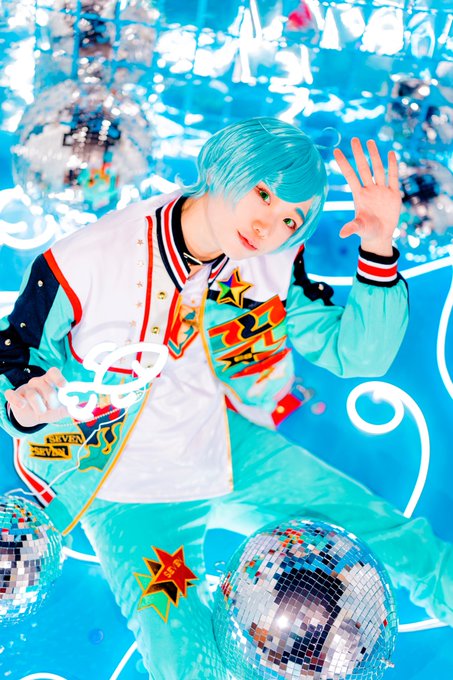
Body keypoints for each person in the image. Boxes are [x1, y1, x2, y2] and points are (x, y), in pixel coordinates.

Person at [0, 117, 452, 679]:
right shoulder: (85, 259)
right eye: (263, 195)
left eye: (290, 218)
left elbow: (356, 354)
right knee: (187, 663)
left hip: (227, 446)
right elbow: (14, 359)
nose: (268, 226)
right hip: (125, 485)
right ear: (222, 168)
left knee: (397, 538)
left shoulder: (275, 256)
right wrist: (27, 401)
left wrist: (379, 245)